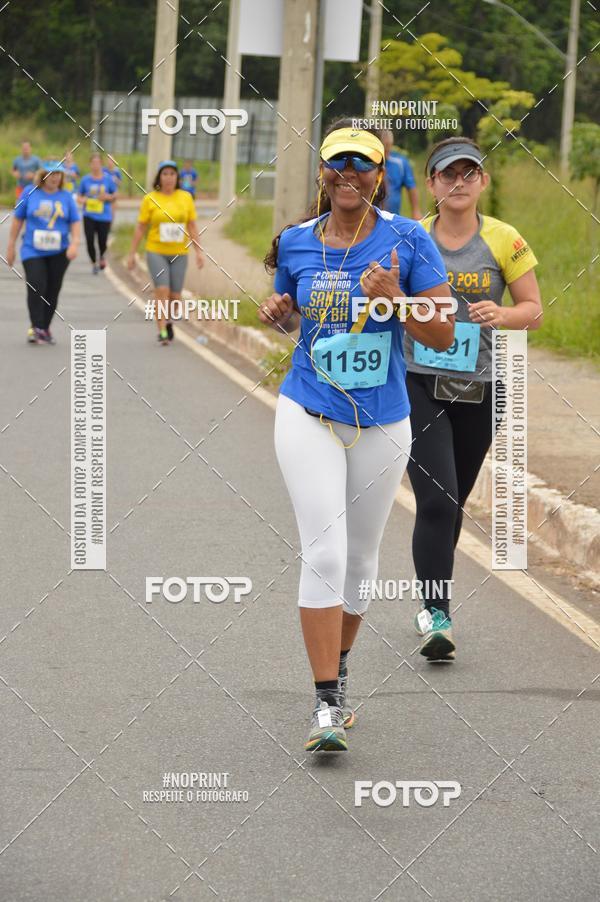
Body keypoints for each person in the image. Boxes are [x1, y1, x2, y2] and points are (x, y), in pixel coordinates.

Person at [260, 118, 453, 753]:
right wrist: (280, 313)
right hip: (309, 410)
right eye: (338, 163)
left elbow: (444, 336)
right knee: (326, 553)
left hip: (384, 417)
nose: (349, 175)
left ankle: (339, 673)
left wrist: (396, 296)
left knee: (364, 559)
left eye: (362, 165)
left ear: (379, 176)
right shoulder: (294, 241)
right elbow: (292, 316)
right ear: (324, 173)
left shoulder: (407, 239)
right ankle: (323, 704)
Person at [403, 136, 542, 662]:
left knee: (454, 499)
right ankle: (435, 612)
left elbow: (532, 307)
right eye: (447, 174)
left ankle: (433, 592)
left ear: (483, 181)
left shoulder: (505, 239)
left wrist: (502, 315)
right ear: (432, 183)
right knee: (436, 498)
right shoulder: (411, 238)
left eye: (468, 173)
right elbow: (387, 300)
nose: (458, 182)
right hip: (419, 382)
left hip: (484, 386)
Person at [127, 160, 204, 344]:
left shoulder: (185, 197)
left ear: (177, 177)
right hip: (156, 251)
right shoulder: (150, 199)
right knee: (162, 290)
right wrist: (132, 253)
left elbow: (192, 226)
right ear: (159, 177)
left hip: (179, 253)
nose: (169, 178)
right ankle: (161, 330)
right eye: (165, 174)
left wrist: (199, 252)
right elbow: (140, 227)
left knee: (175, 296)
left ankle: (169, 320)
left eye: (172, 174)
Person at [6, 161, 80, 344]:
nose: (55, 177)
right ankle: (36, 326)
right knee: (36, 285)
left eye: (59, 174)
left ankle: (45, 328)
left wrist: (75, 244)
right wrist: (11, 245)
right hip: (32, 250)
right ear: (43, 175)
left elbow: (75, 222)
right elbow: (17, 220)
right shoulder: (30, 193)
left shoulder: (66, 197)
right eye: (51, 173)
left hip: (59, 252)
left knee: (52, 290)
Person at [78, 153, 118, 274]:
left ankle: (102, 257)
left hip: (104, 215)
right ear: (90, 165)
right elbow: (79, 196)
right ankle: (93, 262)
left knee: (102, 240)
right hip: (89, 215)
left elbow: (115, 195)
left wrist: (108, 197)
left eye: (98, 163)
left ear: (101, 164)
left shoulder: (108, 180)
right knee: (89, 239)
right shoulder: (85, 180)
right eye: (93, 163)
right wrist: (83, 200)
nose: (95, 165)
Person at [381, 130, 421, 220]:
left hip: (393, 217)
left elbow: (411, 188)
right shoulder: (369, 163)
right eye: (384, 146)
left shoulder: (400, 162)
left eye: (388, 146)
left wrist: (416, 211)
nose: (386, 150)